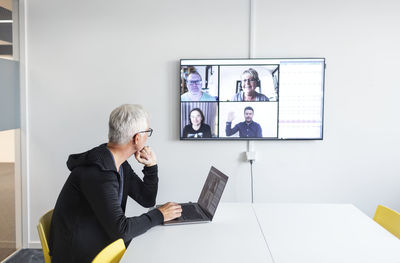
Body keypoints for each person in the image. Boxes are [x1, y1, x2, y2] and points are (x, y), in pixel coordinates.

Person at [49, 104, 182, 263]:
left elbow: (147, 199)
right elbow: (122, 230)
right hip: (79, 255)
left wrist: (151, 167)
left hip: (98, 239)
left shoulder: (119, 164)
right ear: (137, 138)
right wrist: (160, 214)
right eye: (148, 132)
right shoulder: (98, 173)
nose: (148, 137)